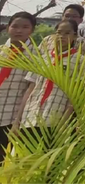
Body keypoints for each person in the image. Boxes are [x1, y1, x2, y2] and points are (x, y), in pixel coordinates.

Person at [15, 19, 82, 136]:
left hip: (55, 116)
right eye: (59, 32)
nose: (62, 36)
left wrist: (64, 121)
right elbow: (31, 88)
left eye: (67, 33)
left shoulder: (79, 60)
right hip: (31, 115)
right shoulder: (43, 58)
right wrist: (17, 120)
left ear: (75, 36)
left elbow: (75, 94)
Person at [0, 12, 36, 162]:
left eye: (25, 27)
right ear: (8, 28)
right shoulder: (1, 50)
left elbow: (31, 89)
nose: (19, 30)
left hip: (11, 116)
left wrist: (18, 121)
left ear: (32, 30)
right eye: (14, 26)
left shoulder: (36, 55)